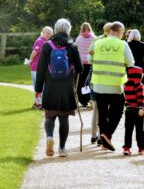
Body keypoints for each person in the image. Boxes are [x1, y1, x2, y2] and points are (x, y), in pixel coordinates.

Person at [35, 18, 83, 157]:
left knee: (50, 115)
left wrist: (38, 89)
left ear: (55, 29)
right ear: (68, 30)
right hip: (67, 86)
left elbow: (41, 68)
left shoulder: (47, 45)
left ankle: (50, 136)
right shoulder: (72, 45)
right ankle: (62, 148)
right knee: (64, 118)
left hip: (51, 85)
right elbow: (80, 68)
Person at [90, 21, 134, 151]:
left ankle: (104, 139)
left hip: (98, 84)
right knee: (118, 111)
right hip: (116, 85)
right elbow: (131, 62)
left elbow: (90, 59)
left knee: (103, 113)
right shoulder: (122, 44)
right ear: (120, 32)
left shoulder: (97, 43)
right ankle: (106, 135)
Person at [88, 22, 112, 145]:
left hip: (95, 75)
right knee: (106, 109)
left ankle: (93, 135)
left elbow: (89, 58)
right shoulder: (112, 42)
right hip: (107, 78)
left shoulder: (96, 40)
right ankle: (102, 135)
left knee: (96, 108)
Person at [123, 66, 144, 155]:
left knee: (128, 130)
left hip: (128, 110)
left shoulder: (126, 84)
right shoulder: (139, 85)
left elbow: (126, 97)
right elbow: (140, 97)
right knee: (139, 130)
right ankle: (141, 147)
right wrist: (141, 107)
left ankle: (127, 147)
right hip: (137, 110)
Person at [29, 26, 53, 110]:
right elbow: (34, 52)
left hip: (38, 67)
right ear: (43, 32)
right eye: (47, 33)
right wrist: (31, 60)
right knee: (40, 86)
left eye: (50, 34)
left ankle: (37, 103)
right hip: (36, 67)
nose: (49, 35)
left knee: (38, 86)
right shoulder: (40, 41)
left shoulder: (45, 41)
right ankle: (40, 104)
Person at [75, 22, 96, 109]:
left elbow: (75, 50)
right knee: (88, 82)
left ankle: (81, 101)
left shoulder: (79, 38)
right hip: (90, 63)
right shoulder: (94, 38)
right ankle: (88, 99)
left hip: (80, 63)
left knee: (79, 82)